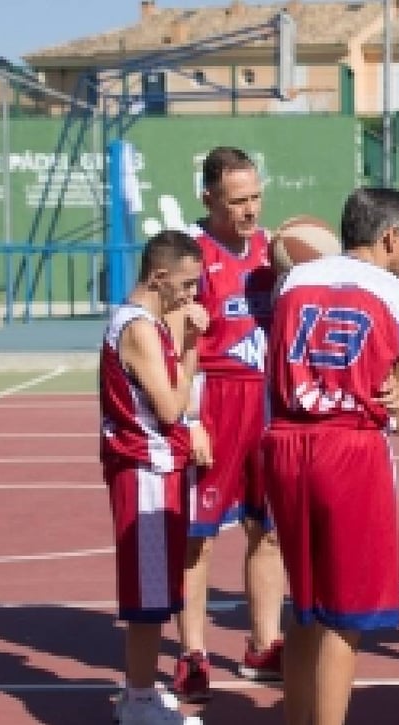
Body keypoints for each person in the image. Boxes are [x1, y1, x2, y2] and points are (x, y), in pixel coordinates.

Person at [262, 187, 399, 725]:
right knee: (343, 616)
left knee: (304, 607)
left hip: (286, 440)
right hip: (349, 446)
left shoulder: (292, 281)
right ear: (390, 236)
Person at [175, 146, 285, 702]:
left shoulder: (277, 250)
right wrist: (188, 419)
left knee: (267, 530)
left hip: (268, 402)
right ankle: (192, 652)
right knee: (198, 536)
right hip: (215, 401)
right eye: (237, 200)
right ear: (209, 199)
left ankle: (264, 642)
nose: (250, 209)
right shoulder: (190, 255)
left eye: (255, 197)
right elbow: (170, 345)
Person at [100, 230, 207, 725]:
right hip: (146, 470)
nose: (191, 295)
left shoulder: (146, 321)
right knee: (148, 597)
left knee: (157, 589)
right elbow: (168, 407)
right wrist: (190, 351)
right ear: (160, 277)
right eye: (186, 285)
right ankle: (140, 700)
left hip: (156, 468)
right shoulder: (142, 329)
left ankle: (139, 691)